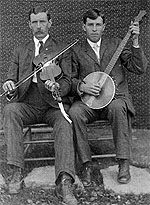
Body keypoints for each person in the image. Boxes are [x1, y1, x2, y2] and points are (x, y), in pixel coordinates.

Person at [2, 5, 77, 205]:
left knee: (65, 121)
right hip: (28, 103)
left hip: (53, 105)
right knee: (10, 110)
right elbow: (12, 80)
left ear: (49, 23)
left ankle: (64, 181)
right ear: (29, 25)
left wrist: (57, 86)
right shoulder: (20, 50)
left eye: (42, 21)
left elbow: (69, 80)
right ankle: (16, 172)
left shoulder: (61, 48)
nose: (38, 26)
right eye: (34, 22)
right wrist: (9, 86)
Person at [69, 8, 147, 185]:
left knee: (119, 107)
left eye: (98, 25)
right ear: (84, 27)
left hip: (114, 100)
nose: (94, 29)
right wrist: (82, 86)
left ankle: (123, 163)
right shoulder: (76, 50)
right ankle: (86, 164)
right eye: (90, 25)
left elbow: (139, 68)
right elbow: (69, 79)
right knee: (74, 112)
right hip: (88, 103)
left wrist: (135, 41)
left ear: (104, 26)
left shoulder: (116, 44)